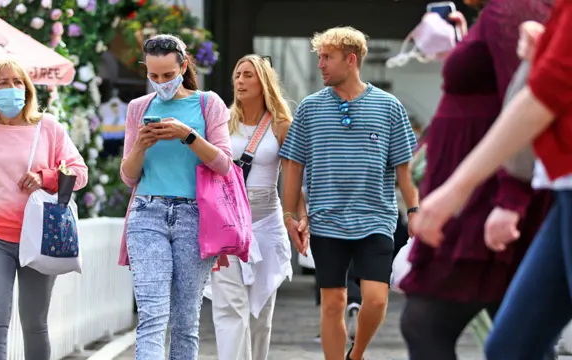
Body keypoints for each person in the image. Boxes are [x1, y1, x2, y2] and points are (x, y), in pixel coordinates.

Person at [410, 1, 572, 357]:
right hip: (554, 189)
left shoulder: (514, 8)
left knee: (431, 323)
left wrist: (476, 194)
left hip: (514, 190)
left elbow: (537, 98)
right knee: (511, 346)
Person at [280, 26, 418, 360]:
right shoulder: (310, 109)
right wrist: (290, 216)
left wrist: (414, 211)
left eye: (327, 58)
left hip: (376, 218)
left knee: (375, 299)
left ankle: (355, 355)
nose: (321, 65)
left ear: (351, 60)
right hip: (326, 221)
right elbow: (293, 164)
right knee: (333, 302)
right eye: (319, 58)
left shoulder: (389, 107)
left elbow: (403, 168)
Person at [0, 59, 88, 360]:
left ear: (28, 88)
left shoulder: (48, 128)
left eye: (18, 82)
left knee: (34, 323)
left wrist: (45, 177)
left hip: (39, 237)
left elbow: (79, 173)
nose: (12, 88)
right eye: (3, 83)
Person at [118, 34, 232, 360]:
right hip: (147, 212)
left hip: (195, 216)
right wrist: (141, 144)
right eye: (153, 76)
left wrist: (188, 135)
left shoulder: (208, 103)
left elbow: (224, 163)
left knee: (185, 320)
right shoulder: (139, 108)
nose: (161, 82)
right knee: (152, 314)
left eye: (168, 75)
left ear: (183, 66)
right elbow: (128, 176)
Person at [210, 54, 303, 360]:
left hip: (266, 222)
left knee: (260, 312)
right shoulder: (221, 121)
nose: (240, 80)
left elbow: (292, 180)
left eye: (248, 75)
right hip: (227, 223)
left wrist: (297, 218)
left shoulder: (281, 125)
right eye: (237, 75)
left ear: (263, 81)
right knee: (229, 307)